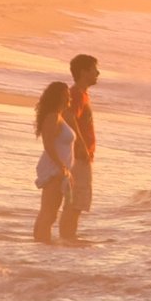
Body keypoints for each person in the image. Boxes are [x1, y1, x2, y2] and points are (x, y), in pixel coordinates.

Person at [57, 53, 100, 243]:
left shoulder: (81, 94)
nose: (97, 73)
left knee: (75, 202)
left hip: (80, 155)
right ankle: (68, 239)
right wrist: (81, 144)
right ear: (84, 72)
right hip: (78, 156)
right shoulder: (76, 94)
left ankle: (68, 238)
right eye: (94, 70)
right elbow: (68, 115)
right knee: (75, 202)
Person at [31, 80, 75, 244]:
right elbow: (48, 144)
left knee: (48, 212)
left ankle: (40, 244)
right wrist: (61, 166)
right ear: (60, 96)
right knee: (49, 213)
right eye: (66, 94)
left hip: (59, 169)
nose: (69, 96)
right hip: (54, 169)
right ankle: (42, 245)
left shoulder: (59, 116)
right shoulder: (52, 117)